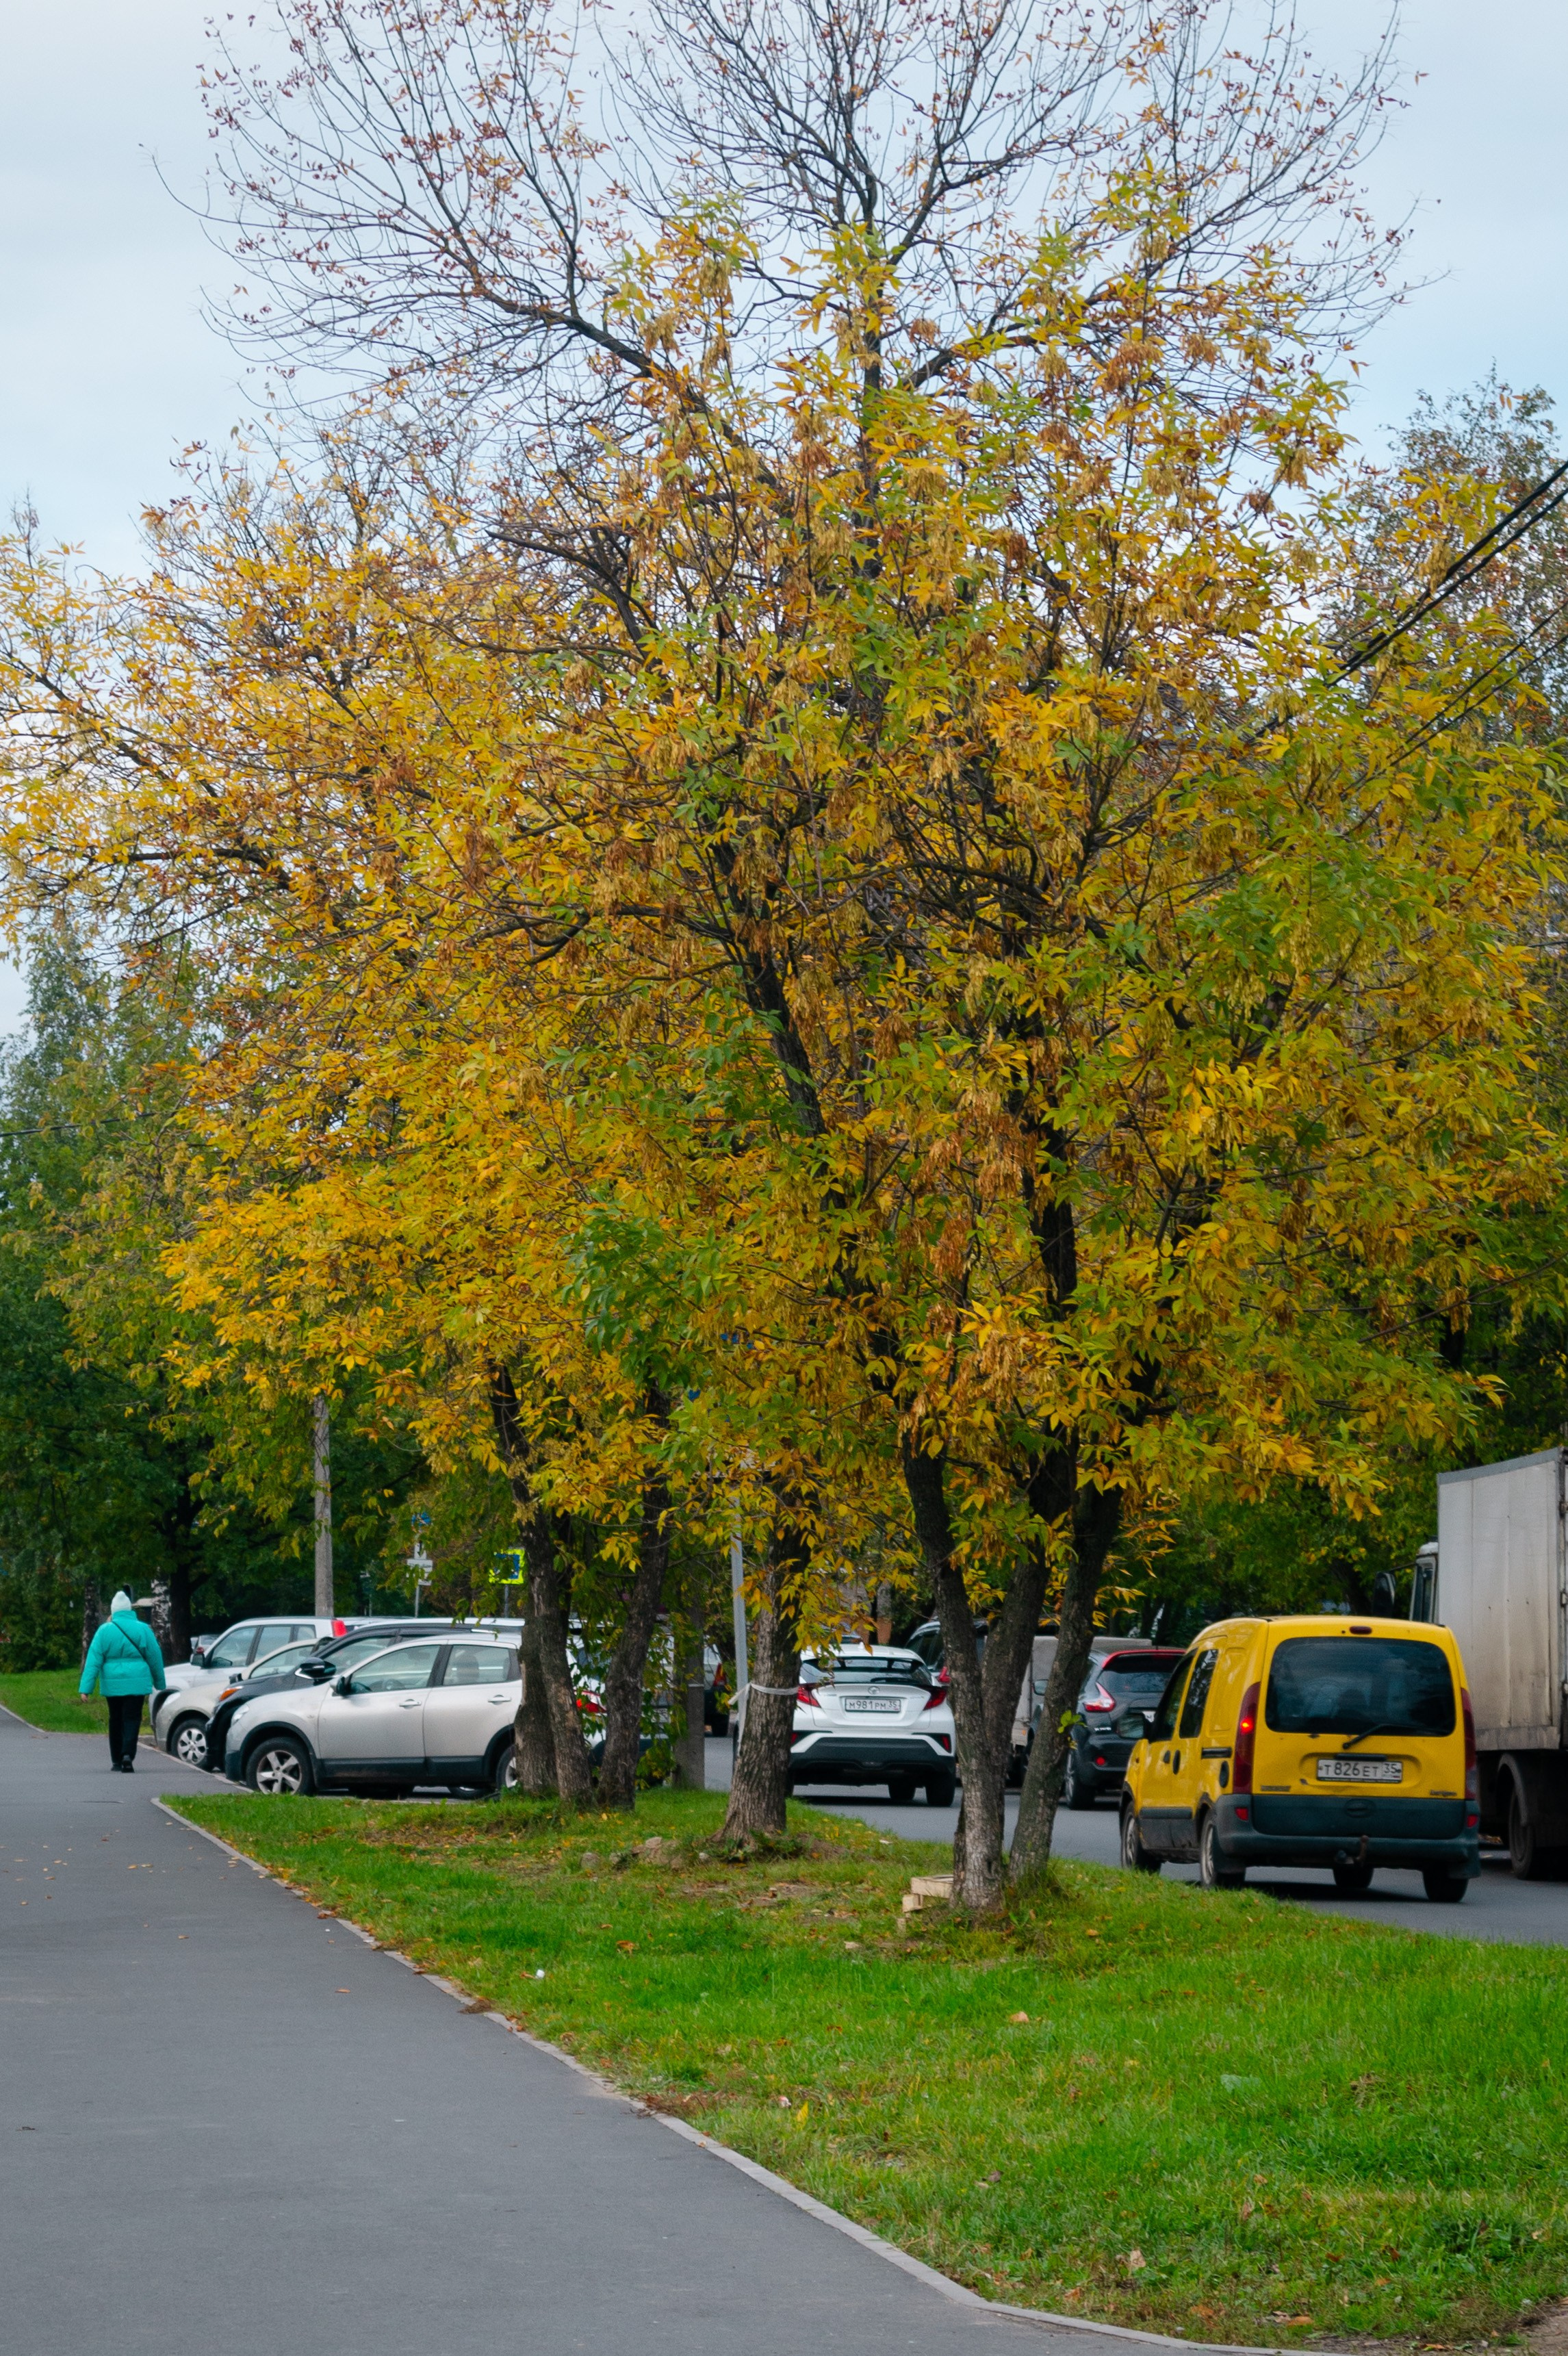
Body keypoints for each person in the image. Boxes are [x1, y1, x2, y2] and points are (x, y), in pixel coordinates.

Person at [79, 1591, 166, 1773]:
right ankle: (128, 1755)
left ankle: (116, 1761)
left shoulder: (104, 1631)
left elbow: (93, 1660)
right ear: (129, 1610)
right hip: (137, 1684)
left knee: (116, 1719)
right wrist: (160, 1683)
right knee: (132, 1718)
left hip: (113, 1685)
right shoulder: (143, 1629)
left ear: (114, 1611)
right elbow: (155, 1657)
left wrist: (86, 1688)